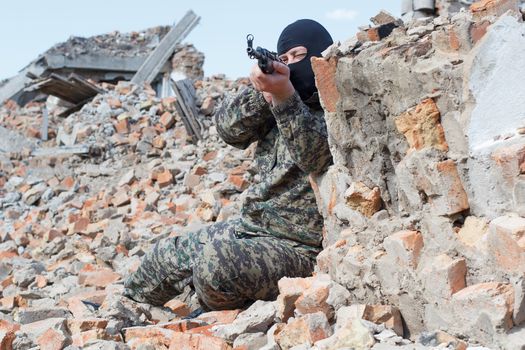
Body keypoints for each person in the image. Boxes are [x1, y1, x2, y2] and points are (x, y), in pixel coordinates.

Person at [123, 19, 334, 311]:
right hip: (252, 227)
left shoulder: (336, 107)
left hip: (298, 248)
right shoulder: (275, 100)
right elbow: (228, 130)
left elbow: (313, 157)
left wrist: (285, 96)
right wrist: (265, 91)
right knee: (165, 255)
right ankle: (125, 311)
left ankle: (212, 311)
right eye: (283, 59)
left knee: (216, 266)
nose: (291, 65)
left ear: (320, 54)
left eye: (298, 56)